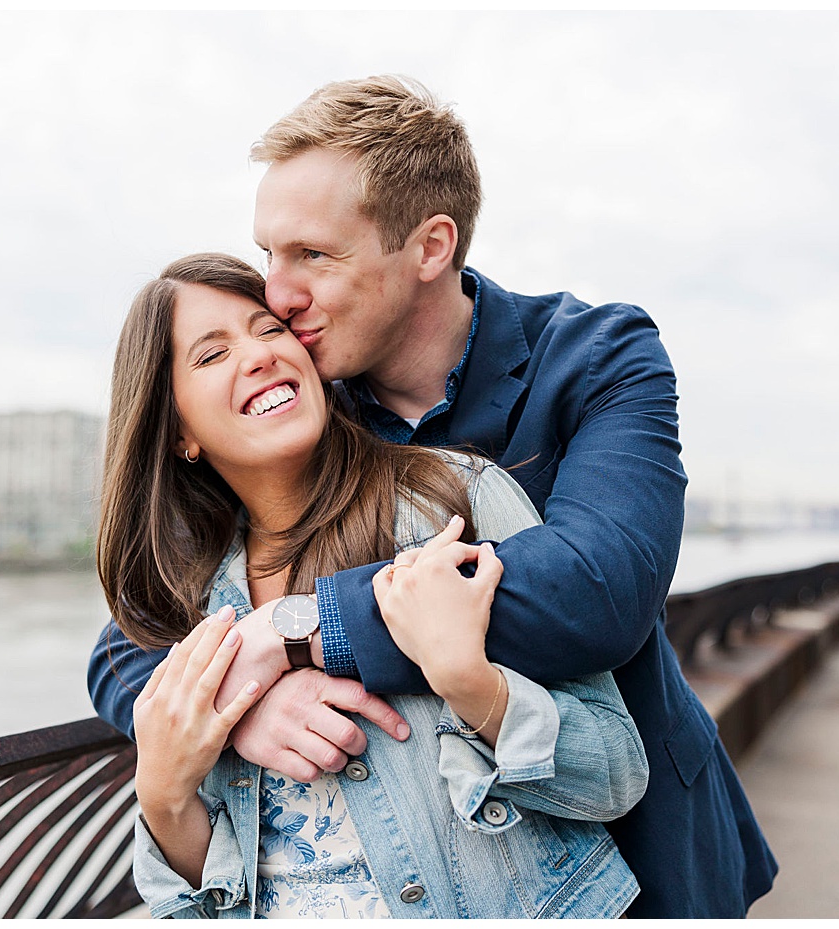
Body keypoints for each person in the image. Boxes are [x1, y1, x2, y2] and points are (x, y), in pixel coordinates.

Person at [87, 77, 777, 917]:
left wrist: (299, 631)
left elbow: (599, 589)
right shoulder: (301, 411)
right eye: (269, 253)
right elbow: (127, 645)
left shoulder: (597, 357)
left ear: (429, 246)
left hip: (638, 847)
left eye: (313, 255)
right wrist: (239, 706)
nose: (277, 293)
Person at [108, 254, 646, 917]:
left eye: (270, 329)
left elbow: (616, 773)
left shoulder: (452, 498)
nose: (258, 355)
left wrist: (471, 684)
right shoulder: (194, 607)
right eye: (212, 354)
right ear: (179, 431)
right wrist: (163, 794)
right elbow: (209, 904)